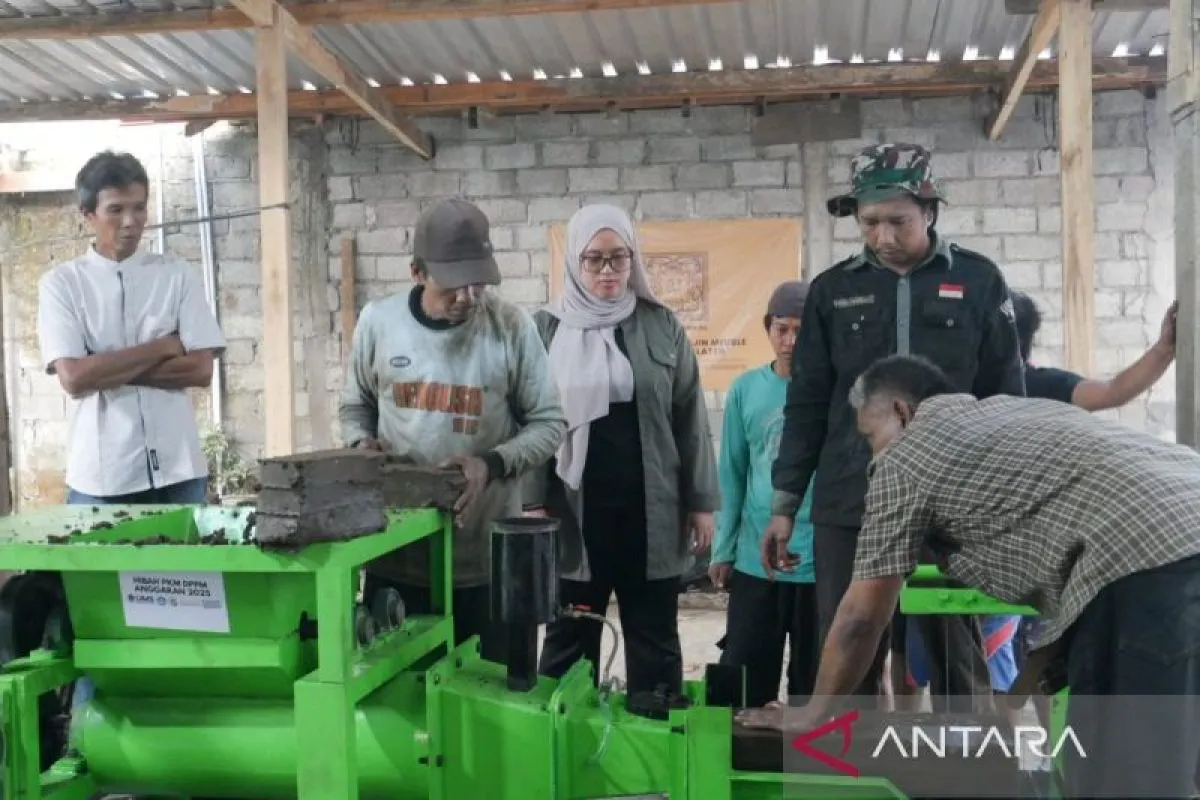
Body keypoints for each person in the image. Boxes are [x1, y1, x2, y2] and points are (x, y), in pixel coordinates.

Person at [756, 353, 1200, 800]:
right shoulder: (1014, 415)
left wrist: (810, 715)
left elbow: (861, 618)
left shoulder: (907, 458)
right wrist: (1013, 698)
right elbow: (1078, 588)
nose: (873, 455)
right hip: (1179, 522)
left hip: (1153, 565)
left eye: (871, 437)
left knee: (1125, 780)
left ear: (901, 412)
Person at [763, 143, 1025, 712]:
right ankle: (857, 758)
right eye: (870, 222)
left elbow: (1006, 397)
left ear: (929, 211)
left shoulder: (978, 281)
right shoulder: (832, 292)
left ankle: (964, 755)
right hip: (851, 498)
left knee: (953, 647)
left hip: (953, 499)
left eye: (898, 221)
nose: (883, 236)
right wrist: (784, 504)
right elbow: (806, 404)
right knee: (851, 641)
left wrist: (1005, 502)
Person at [339, 198, 566, 662]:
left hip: (485, 562)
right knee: (400, 692)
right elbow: (355, 406)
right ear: (417, 272)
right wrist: (361, 443)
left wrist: (491, 464)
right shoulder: (379, 324)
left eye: (478, 283)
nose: (467, 297)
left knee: (489, 692)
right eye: (453, 285)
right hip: (398, 557)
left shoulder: (511, 327)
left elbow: (550, 422)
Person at [531, 204, 719, 698]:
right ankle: (565, 737)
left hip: (650, 511)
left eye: (619, 257)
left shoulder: (660, 325)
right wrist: (530, 502)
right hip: (574, 513)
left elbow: (690, 418)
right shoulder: (546, 329)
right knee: (570, 635)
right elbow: (527, 420)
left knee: (654, 636)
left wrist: (701, 502)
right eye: (594, 259)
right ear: (575, 260)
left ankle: (654, 732)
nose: (608, 270)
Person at [1008, 289, 1178, 728]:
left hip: (1025, 544)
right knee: (1034, 651)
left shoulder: (1012, 387)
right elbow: (1113, 392)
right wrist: (1162, 350)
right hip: (1037, 545)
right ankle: (1038, 742)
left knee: (1020, 654)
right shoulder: (1036, 385)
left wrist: (1164, 349)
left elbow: (1113, 392)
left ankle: (1016, 742)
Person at [37, 150, 225, 506]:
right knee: (97, 549)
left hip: (180, 469)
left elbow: (200, 370)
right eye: (116, 209)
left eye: (139, 208)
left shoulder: (176, 275)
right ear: (88, 215)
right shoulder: (61, 284)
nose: (130, 221)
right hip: (103, 477)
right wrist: (163, 347)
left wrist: (101, 368)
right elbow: (74, 379)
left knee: (188, 548)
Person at [710, 280, 819, 708]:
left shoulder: (833, 391)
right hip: (758, 560)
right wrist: (723, 549)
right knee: (745, 683)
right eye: (782, 329)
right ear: (767, 329)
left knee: (815, 685)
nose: (790, 341)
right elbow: (732, 473)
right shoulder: (746, 390)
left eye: (801, 331)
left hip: (817, 562)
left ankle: (809, 750)